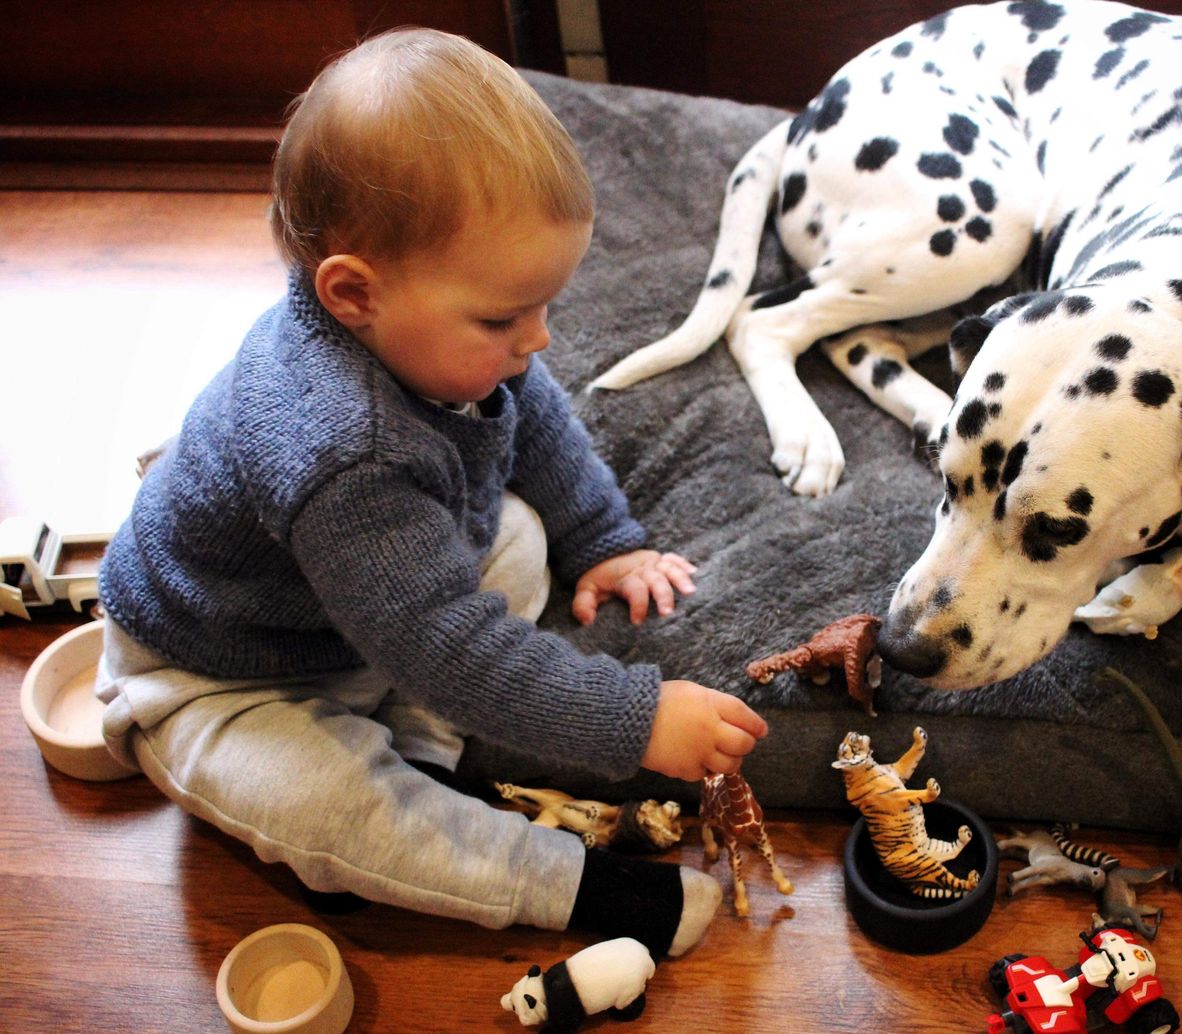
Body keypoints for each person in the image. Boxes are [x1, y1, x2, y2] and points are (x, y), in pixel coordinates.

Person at [94, 27, 767, 959]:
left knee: (519, 533)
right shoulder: (343, 451)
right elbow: (455, 650)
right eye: (502, 317)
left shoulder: (427, 338)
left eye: (542, 306)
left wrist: (604, 538)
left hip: (357, 616)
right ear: (352, 294)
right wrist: (634, 718)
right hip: (222, 675)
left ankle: (420, 759)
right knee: (331, 815)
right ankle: (578, 886)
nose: (536, 339)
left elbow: (534, 414)